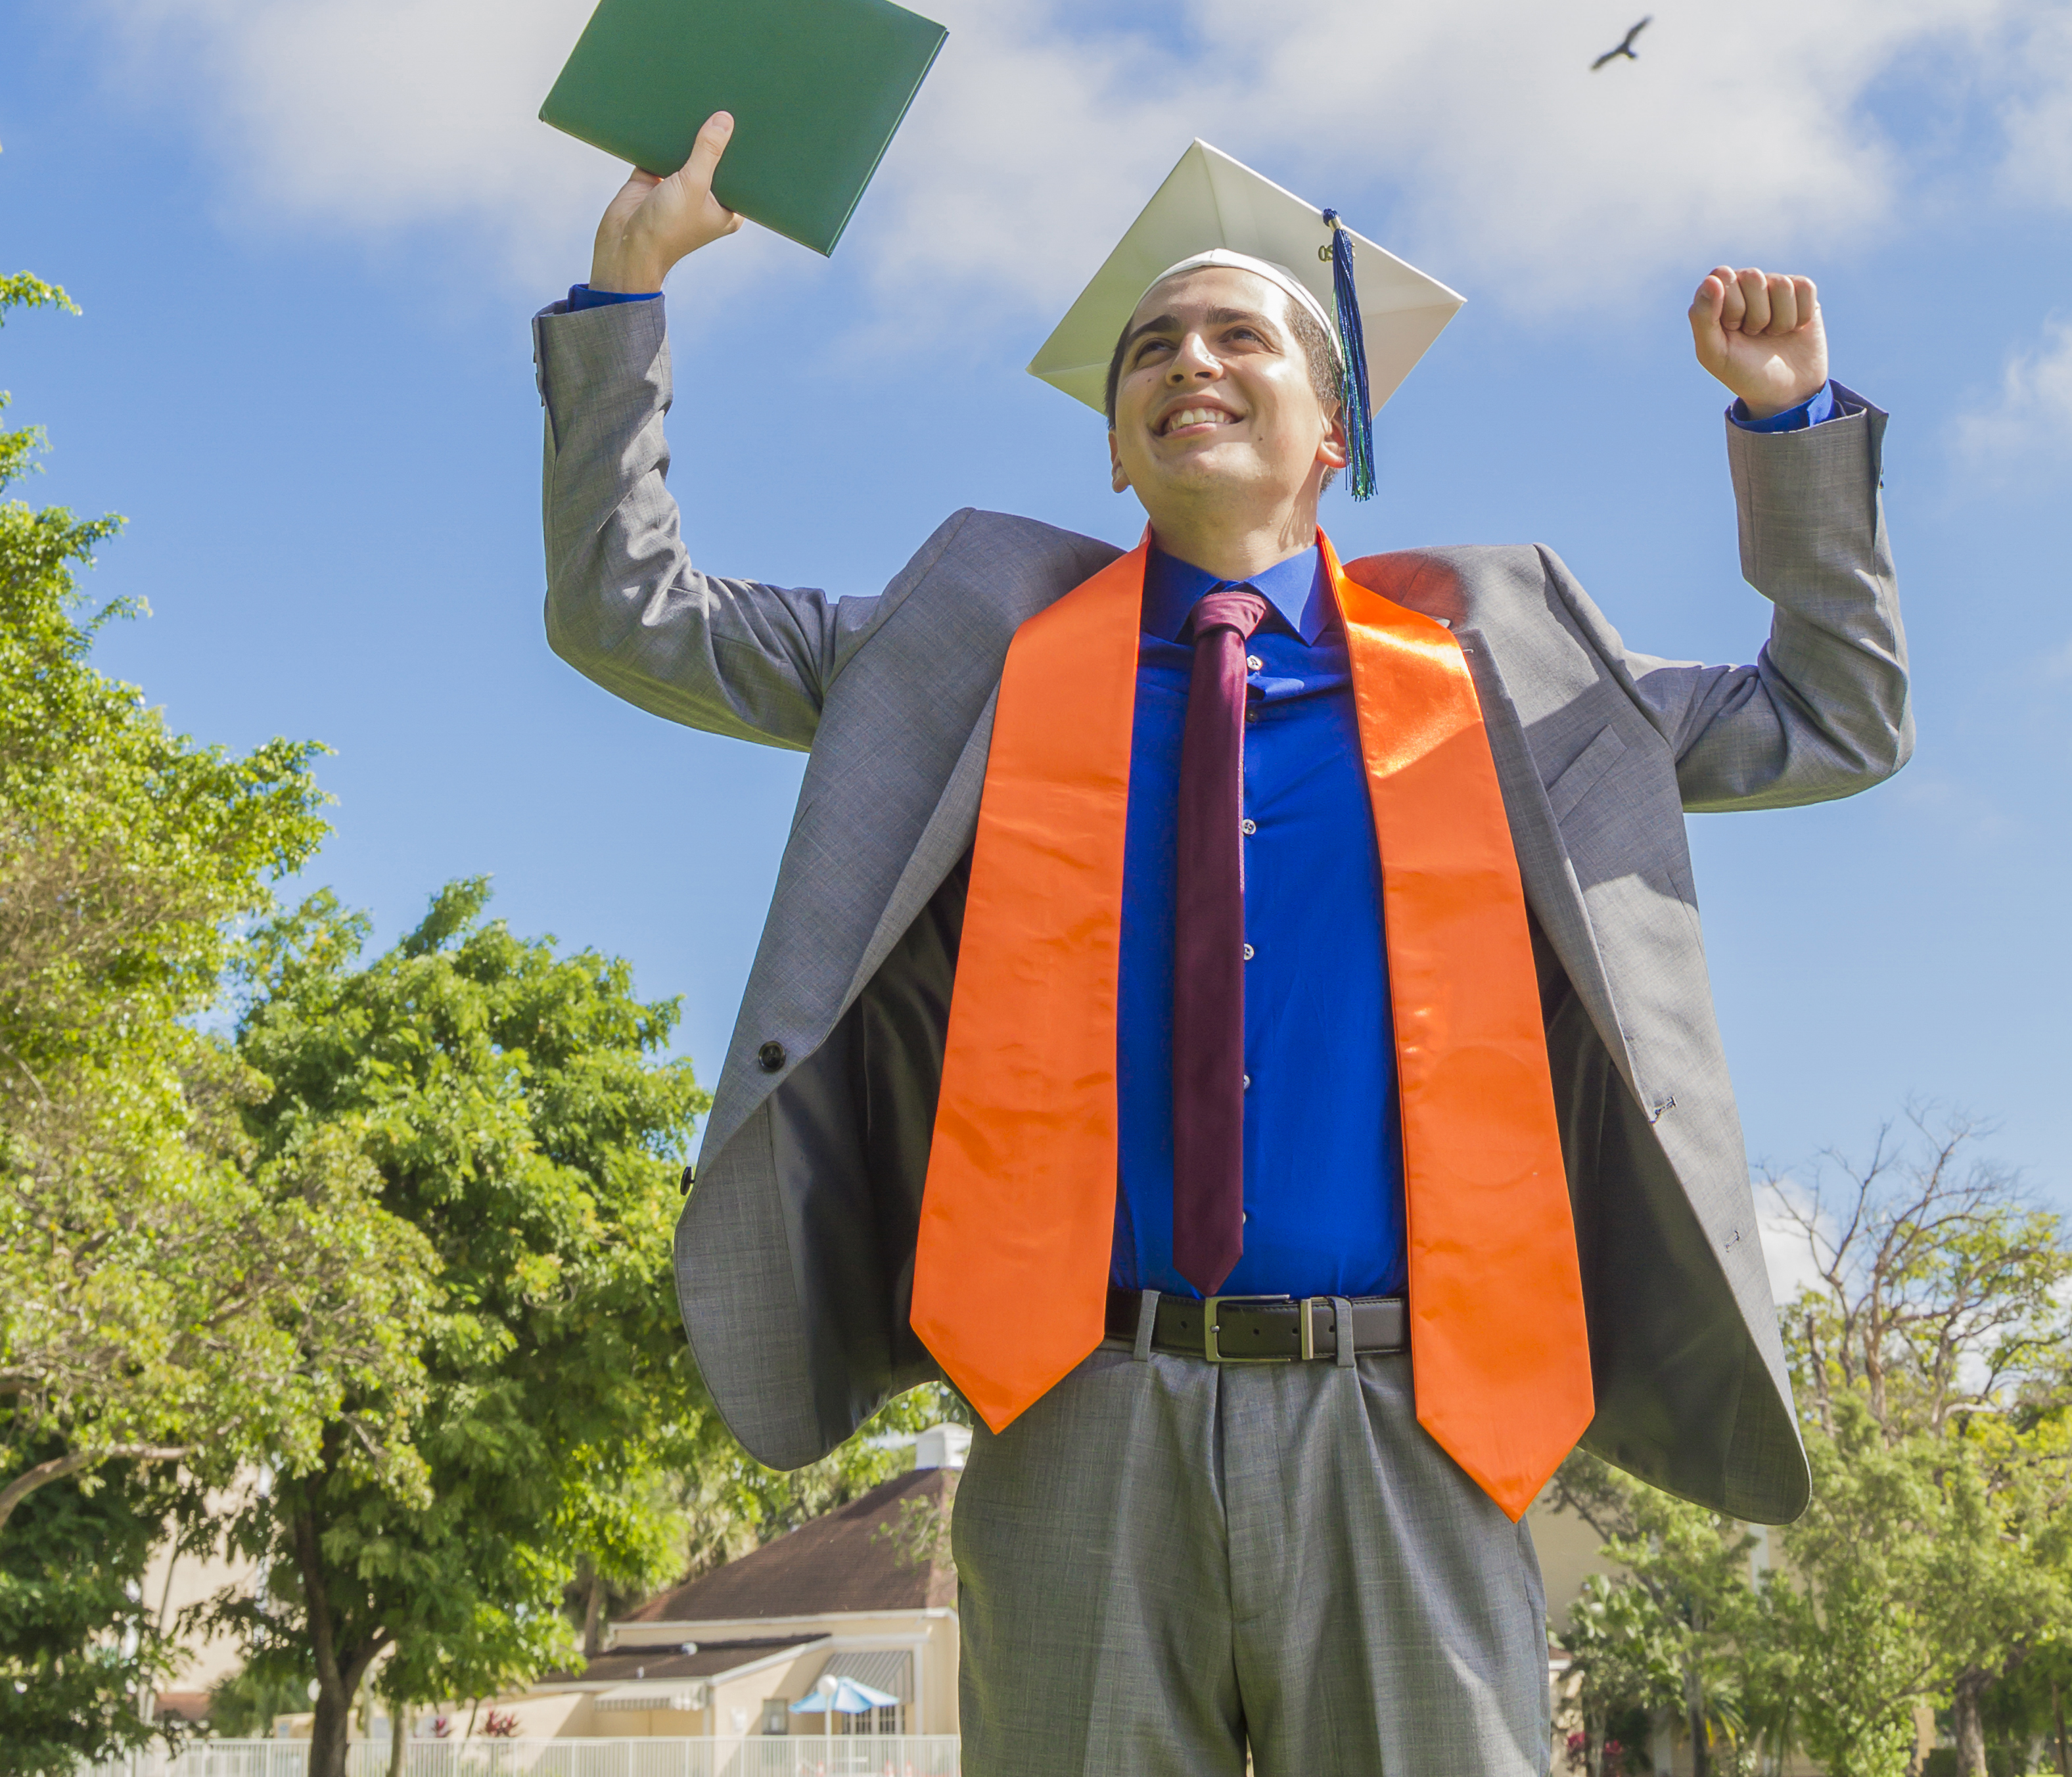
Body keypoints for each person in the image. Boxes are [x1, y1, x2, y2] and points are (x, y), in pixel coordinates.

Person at [534, 112, 1909, 1777]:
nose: (1190, 357)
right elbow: (632, 609)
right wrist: (629, 291)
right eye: (1152, 346)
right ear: (1116, 446)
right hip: (1078, 1416)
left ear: (1334, 429)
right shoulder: (978, 660)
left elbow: (1835, 716)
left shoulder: (1498, 684)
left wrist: (1790, 423)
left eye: (1240, 333)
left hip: (1414, 1423)